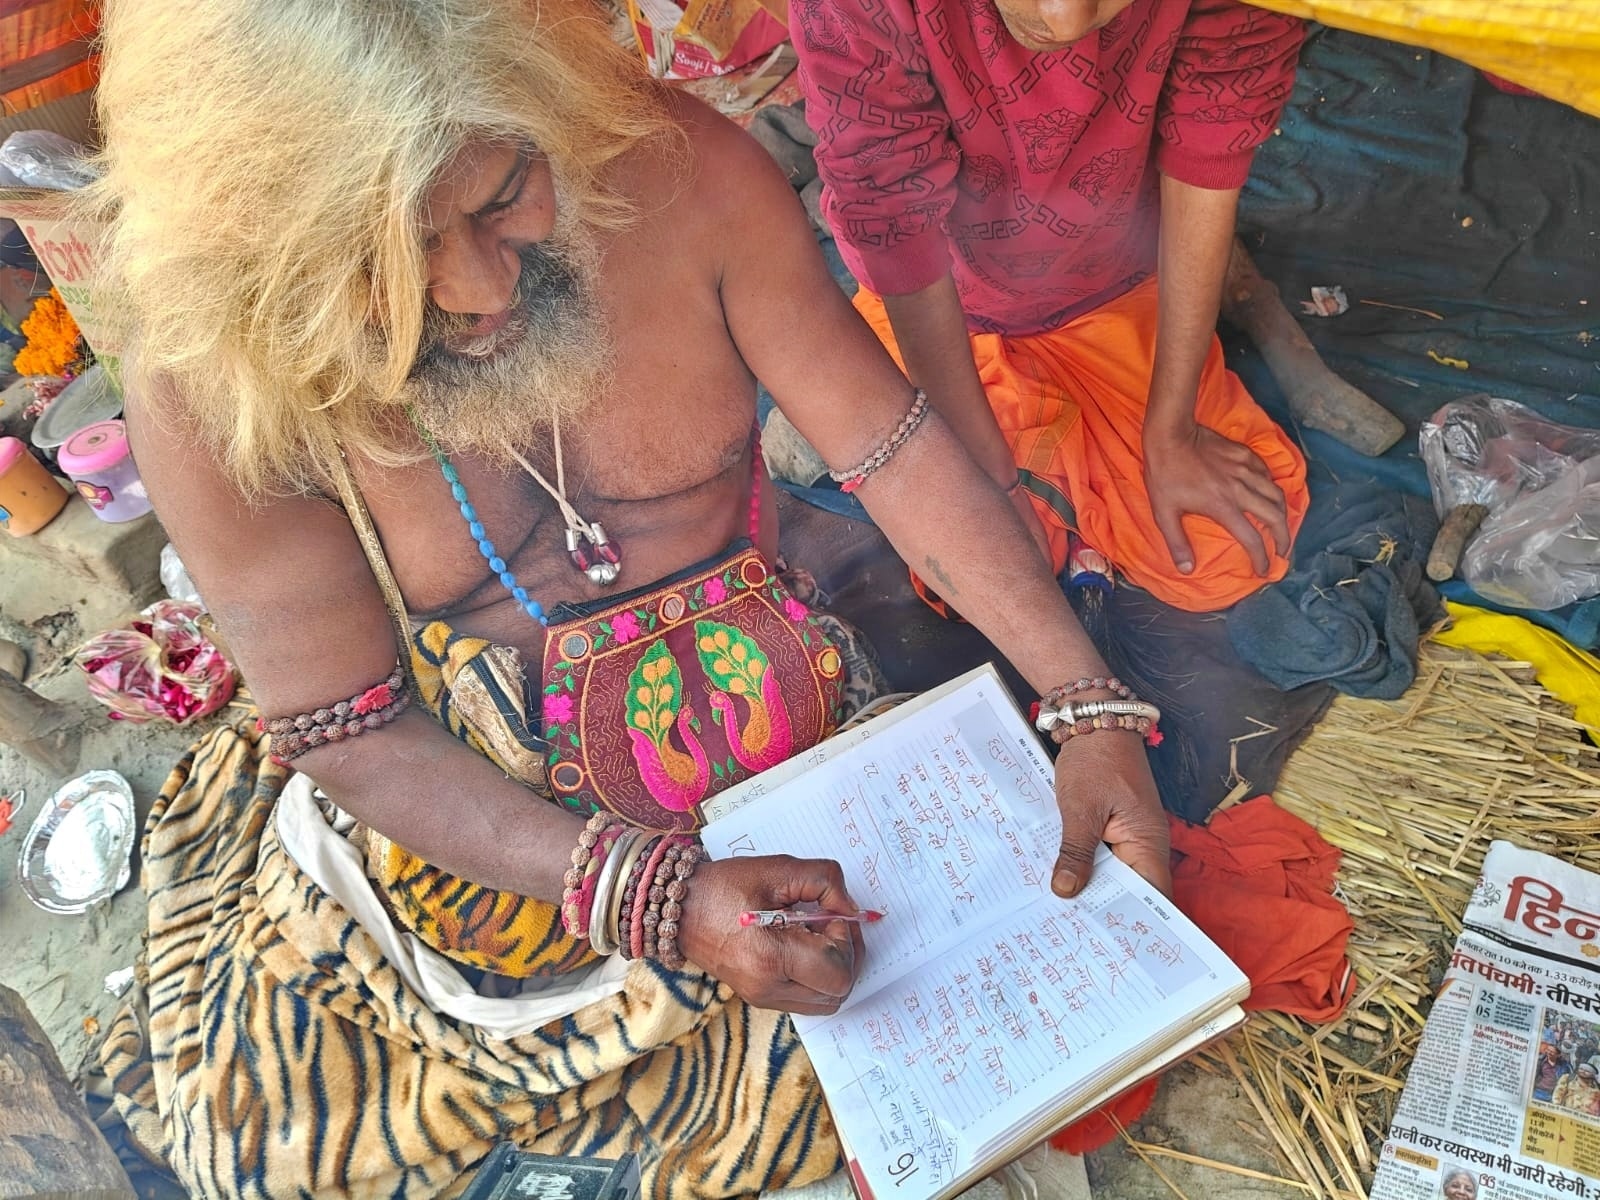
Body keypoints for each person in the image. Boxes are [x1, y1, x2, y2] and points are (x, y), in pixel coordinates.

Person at [86, 0, 1173, 1195]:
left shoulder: (679, 172)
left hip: (811, 754)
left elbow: (890, 447)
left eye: (502, 195)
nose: (479, 288)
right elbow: (349, 726)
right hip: (508, 846)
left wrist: (1085, 701)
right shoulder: (212, 381)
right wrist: (662, 900)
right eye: (384, 262)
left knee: (1012, 1022)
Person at [789, 0, 1312, 614]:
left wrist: (1173, 430)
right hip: (938, 314)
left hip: (1113, 292)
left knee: (1226, 554)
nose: (1063, 21)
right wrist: (988, 481)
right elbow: (895, 224)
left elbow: (1209, 153)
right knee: (978, 573)